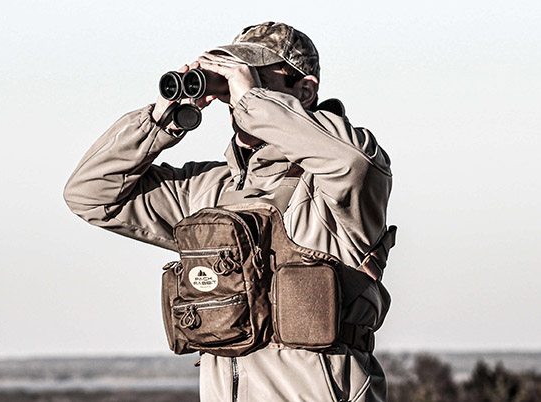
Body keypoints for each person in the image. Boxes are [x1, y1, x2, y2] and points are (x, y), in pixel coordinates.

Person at [64, 21, 394, 402]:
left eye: (254, 75)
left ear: (305, 90)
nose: (235, 89)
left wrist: (253, 102)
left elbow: (351, 162)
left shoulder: (336, 181)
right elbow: (90, 194)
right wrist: (160, 120)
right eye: (230, 76)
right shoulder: (209, 189)